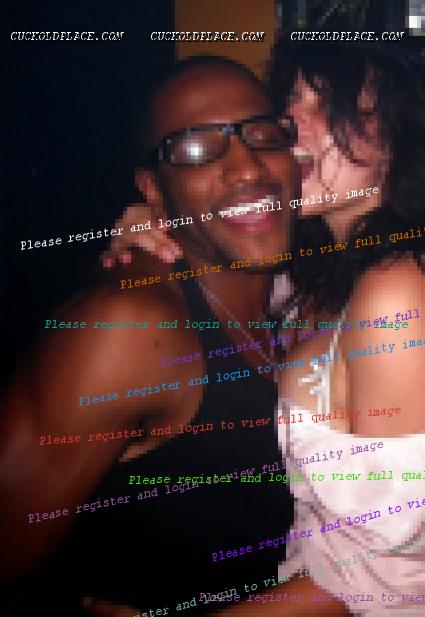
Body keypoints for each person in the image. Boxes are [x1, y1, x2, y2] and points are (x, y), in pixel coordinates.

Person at [3, 56, 341, 617]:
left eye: (261, 134)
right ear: (154, 190)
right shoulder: (129, 327)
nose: (246, 168)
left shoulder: (308, 293)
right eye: (195, 148)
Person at [270, 38, 425, 615]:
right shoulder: (309, 272)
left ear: (397, 140)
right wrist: (155, 223)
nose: (291, 120)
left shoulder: (395, 291)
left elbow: (387, 575)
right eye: (289, 100)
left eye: (331, 104)